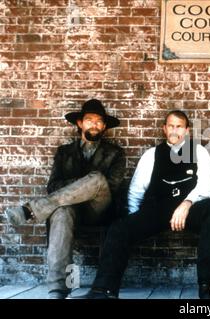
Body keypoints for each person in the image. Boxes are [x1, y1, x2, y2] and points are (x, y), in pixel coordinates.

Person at [69, 110, 210, 299]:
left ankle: (207, 286)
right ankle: (103, 290)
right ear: (164, 128)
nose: (174, 130)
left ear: (186, 130)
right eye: (170, 126)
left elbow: (207, 185)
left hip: (189, 210)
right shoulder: (152, 155)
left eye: (179, 126)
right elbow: (136, 190)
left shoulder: (199, 151)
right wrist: (135, 222)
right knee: (120, 228)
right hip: (158, 210)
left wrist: (187, 203)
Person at [4, 99, 126, 299]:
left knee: (96, 179)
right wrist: (79, 187)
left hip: (100, 209)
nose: (94, 124)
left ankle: (29, 210)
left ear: (104, 126)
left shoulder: (115, 153)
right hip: (70, 210)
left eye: (98, 121)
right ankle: (58, 289)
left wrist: (83, 184)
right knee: (60, 213)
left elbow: (111, 187)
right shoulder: (64, 152)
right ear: (80, 123)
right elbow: (52, 186)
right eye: (89, 120)